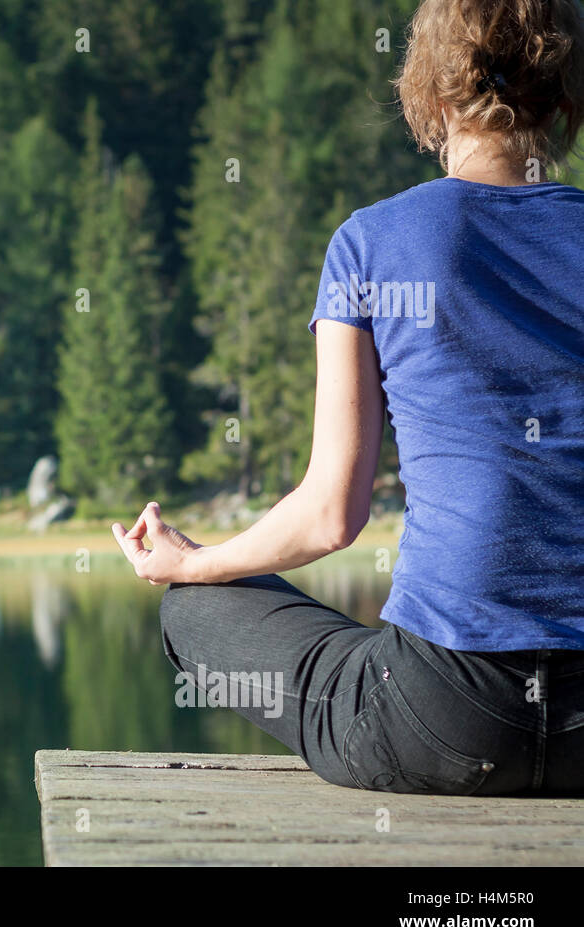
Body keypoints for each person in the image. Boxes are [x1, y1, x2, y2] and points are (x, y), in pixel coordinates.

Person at [112, 0, 584, 795]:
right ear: (568, 97)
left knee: (196, 611)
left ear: (428, 95)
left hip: (443, 718)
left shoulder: (373, 242)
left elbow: (333, 514)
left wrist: (196, 565)